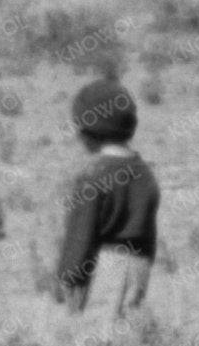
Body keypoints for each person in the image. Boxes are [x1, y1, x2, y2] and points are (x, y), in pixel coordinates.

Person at [54, 77, 159, 318]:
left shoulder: (93, 177)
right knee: (126, 334)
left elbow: (81, 233)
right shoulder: (144, 171)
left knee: (98, 340)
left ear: (89, 133)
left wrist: (68, 276)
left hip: (106, 268)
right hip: (140, 265)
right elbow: (149, 230)